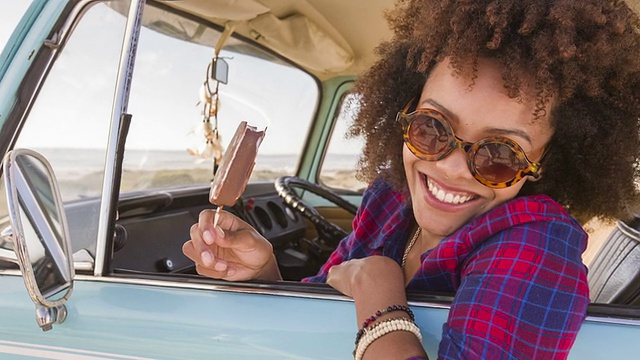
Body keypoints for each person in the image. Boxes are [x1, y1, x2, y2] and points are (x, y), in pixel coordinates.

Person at [182, 0, 640, 358]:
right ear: (404, 111)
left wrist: (382, 297)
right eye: (433, 128)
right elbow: (327, 301)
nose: (452, 167)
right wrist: (265, 274)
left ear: (545, 162)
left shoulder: (539, 246)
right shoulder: (391, 198)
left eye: (500, 154)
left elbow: (365, 287)